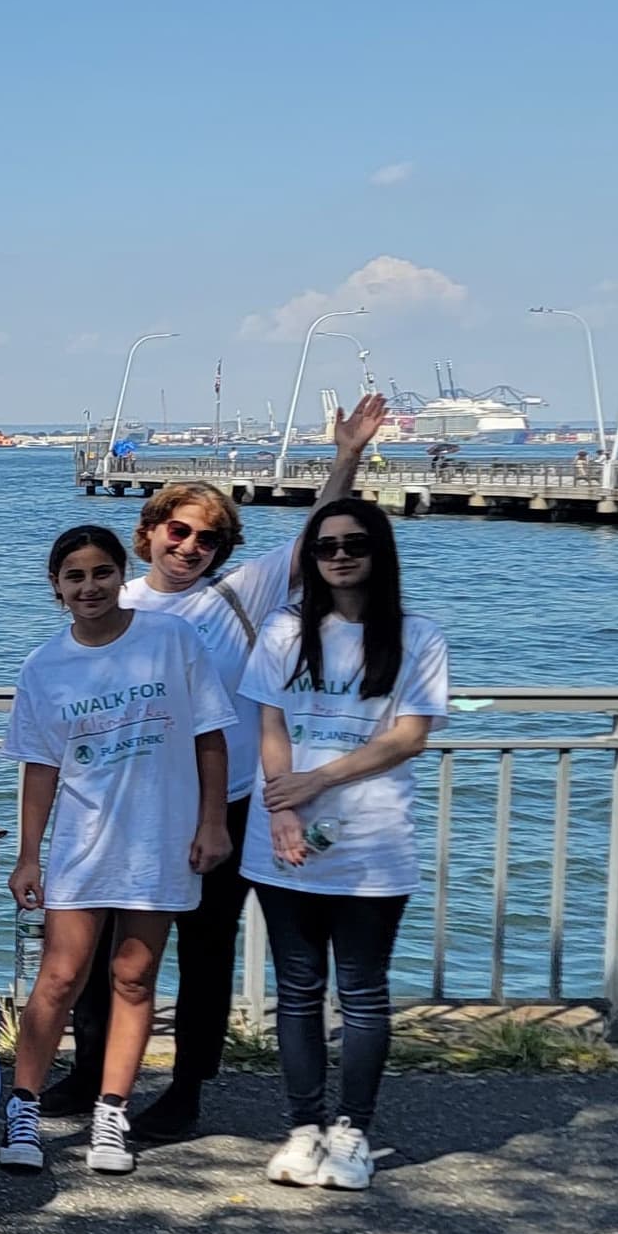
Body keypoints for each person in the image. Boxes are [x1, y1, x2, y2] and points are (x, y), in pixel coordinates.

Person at [70, 393, 382, 1132]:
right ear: (148, 534)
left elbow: (314, 539)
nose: (189, 547)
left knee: (205, 954)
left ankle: (185, 1092)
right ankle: (88, 1074)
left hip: (227, 802)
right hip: (128, 805)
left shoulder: (239, 596)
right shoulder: (119, 600)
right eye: (176, 531)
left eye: (206, 539)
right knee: (102, 949)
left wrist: (347, 455)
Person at [2, 526, 234, 1178]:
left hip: (158, 838)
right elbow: (42, 770)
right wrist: (28, 855)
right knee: (59, 978)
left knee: (133, 978)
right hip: (83, 843)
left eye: (101, 573)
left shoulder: (171, 641)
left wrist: (212, 823)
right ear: (57, 588)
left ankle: (111, 1112)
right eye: (74, 577)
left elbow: (210, 736)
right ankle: (22, 1107)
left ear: (121, 573)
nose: (89, 588)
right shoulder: (43, 667)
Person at [241, 499, 451, 1193]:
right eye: (326, 547)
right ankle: (304, 1127)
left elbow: (408, 736)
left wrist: (317, 780)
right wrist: (282, 806)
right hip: (284, 839)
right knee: (297, 992)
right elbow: (270, 722)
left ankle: (352, 1130)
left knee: (362, 993)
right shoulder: (284, 629)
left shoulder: (417, 637)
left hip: (374, 841)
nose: (339, 556)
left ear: (378, 551)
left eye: (353, 544)